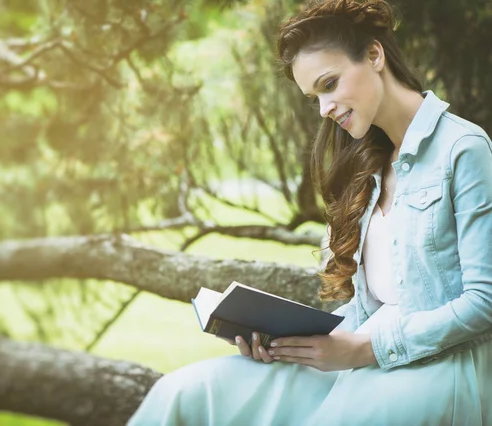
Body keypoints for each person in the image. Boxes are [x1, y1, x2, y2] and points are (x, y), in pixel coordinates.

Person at [128, 0, 492, 424]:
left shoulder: (463, 149)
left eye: (330, 83)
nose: (324, 109)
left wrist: (364, 349)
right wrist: (286, 340)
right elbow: (367, 309)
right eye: (314, 96)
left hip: (438, 366)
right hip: (357, 351)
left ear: (375, 55)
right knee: (183, 392)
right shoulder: (364, 163)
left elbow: (483, 302)